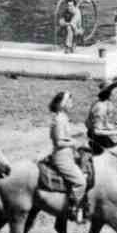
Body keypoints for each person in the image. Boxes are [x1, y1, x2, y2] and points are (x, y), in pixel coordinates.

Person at [48, 91, 86, 223]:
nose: (71, 104)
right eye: (69, 101)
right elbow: (58, 142)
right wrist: (75, 143)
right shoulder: (59, 119)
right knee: (80, 182)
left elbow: (65, 137)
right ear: (62, 104)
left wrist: (78, 136)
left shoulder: (63, 117)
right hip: (62, 157)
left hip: (68, 154)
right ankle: (73, 209)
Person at [85, 80, 117, 152]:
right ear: (108, 93)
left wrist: (115, 127)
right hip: (96, 138)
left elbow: (104, 123)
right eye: (115, 91)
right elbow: (97, 131)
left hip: (98, 135)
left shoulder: (106, 103)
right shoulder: (100, 107)